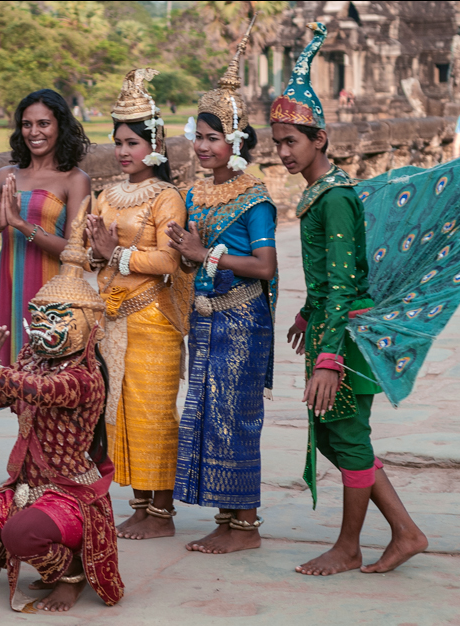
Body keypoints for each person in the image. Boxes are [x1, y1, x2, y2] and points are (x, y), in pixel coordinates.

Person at [270, 22, 427, 575]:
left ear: (320, 139)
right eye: (277, 143)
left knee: (348, 436)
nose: (283, 153)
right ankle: (406, 532)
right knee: (337, 437)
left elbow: (343, 283)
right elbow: (334, 276)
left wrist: (330, 358)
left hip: (345, 336)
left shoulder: (334, 197)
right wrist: (306, 313)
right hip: (330, 325)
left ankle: (349, 546)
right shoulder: (319, 193)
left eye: (292, 141)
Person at [0, 202, 124, 613]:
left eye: (56, 319)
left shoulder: (84, 377)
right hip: (22, 488)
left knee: (22, 534)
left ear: (86, 326)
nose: (42, 328)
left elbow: (40, 390)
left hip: (69, 493)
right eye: (38, 318)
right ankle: (28, 546)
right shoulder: (31, 363)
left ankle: (70, 573)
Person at [167, 23, 278, 555]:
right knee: (209, 415)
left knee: (236, 416)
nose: (203, 146)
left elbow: (265, 266)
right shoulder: (194, 195)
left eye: (214, 138)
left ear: (235, 142)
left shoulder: (255, 198)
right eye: (199, 136)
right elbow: (187, 259)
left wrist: (202, 253)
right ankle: (226, 517)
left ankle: (246, 525)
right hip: (207, 316)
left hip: (242, 318)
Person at [83, 68, 191, 539]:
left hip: (153, 319)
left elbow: (169, 259)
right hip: (111, 319)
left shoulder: (167, 197)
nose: (123, 151)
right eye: (118, 143)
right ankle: (141, 506)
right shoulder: (107, 195)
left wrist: (115, 253)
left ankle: (162, 513)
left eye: (132, 142)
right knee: (119, 413)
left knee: (153, 413)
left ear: (155, 145)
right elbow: (91, 251)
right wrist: (94, 251)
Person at [0, 89, 92, 364]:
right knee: (9, 368)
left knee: (46, 375)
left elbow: (76, 251)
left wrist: (23, 226)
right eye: (27, 124)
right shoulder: (5, 175)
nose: (34, 132)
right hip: (8, 285)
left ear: (60, 126)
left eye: (43, 124)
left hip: (52, 294)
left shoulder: (74, 179)